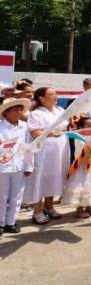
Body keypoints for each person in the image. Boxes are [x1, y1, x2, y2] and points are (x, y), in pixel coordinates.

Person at [24, 87, 68, 224]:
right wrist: (49, 133)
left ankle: (49, 207)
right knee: (41, 178)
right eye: (51, 94)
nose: (55, 96)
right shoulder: (36, 114)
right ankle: (37, 212)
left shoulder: (60, 111)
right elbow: (34, 133)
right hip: (44, 151)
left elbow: (66, 127)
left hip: (60, 149)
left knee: (55, 177)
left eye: (56, 93)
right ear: (41, 98)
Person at [0, 98, 33, 234]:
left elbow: (28, 147)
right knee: (1, 196)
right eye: (14, 109)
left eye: (19, 109)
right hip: (2, 167)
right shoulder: (0, 127)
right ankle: (0, 223)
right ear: (6, 112)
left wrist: (29, 166)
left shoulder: (24, 127)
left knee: (17, 196)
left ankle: (11, 222)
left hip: (19, 166)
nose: (18, 112)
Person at [62, 116, 91, 218]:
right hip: (81, 166)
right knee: (81, 186)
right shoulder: (78, 137)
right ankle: (80, 208)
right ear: (81, 127)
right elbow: (79, 152)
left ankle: (90, 206)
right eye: (89, 126)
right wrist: (88, 150)